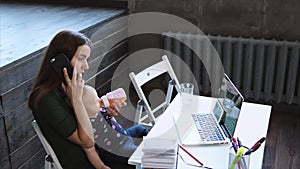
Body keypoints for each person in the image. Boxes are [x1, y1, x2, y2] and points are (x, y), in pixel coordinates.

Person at [27, 30, 130, 169]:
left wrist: (106, 114)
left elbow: (92, 122)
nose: (86, 66)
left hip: (107, 150)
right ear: (61, 61)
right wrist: (76, 99)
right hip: (95, 163)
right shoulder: (46, 99)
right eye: (81, 58)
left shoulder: (69, 86)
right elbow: (87, 142)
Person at [82, 85, 148, 167]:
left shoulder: (99, 110)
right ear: (85, 110)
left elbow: (110, 118)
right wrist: (101, 166)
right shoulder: (88, 125)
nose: (100, 100)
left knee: (139, 129)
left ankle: (156, 141)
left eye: (98, 97)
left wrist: (110, 113)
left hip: (124, 136)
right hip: (116, 149)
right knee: (136, 152)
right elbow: (90, 150)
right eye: (96, 102)